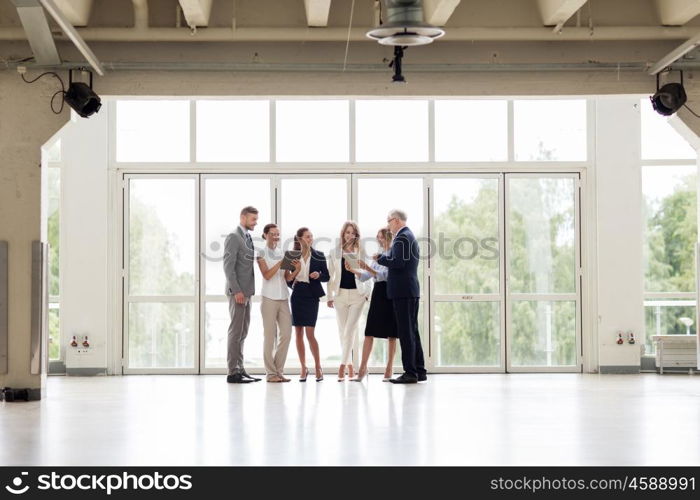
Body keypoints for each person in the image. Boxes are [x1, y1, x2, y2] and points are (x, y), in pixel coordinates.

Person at [375, 209, 427, 384]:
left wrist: (380, 258)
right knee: (413, 331)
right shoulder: (408, 235)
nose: (388, 225)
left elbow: (398, 263)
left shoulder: (402, 237)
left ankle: (410, 372)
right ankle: (420, 370)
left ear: (396, 220)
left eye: (389, 221)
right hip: (409, 290)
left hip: (403, 291)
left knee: (406, 333)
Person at [347, 227, 398, 382]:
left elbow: (386, 275)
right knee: (369, 331)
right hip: (378, 293)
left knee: (392, 333)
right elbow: (367, 276)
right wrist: (354, 270)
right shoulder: (377, 256)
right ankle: (363, 368)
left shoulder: (393, 255)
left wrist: (367, 267)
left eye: (380, 237)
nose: (378, 239)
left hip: (389, 293)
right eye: (377, 237)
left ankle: (389, 369)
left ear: (388, 238)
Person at [327, 221, 371, 381]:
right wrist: (330, 296)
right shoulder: (334, 252)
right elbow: (330, 276)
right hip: (340, 295)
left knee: (350, 330)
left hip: (358, 295)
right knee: (342, 331)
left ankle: (341, 367)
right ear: (343, 234)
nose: (350, 235)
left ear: (356, 235)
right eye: (347, 232)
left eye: (353, 233)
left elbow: (368, 273)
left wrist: (367, 293)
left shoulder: (361, 251)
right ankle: (350, 366)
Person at [286, 227, 330, 382]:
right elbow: (286, 279)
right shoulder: (290, 255)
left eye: (311, 236)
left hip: (312, 295)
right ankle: (303, 368)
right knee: (298, 333)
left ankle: (318, 367)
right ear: (299, 239)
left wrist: (318, 275)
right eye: (307, 237)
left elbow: (327, 277)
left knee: (310, 334)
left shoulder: (319, 255)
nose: (310, 239)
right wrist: (293, 280)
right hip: (298, 294)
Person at [223, 206, 261, 384]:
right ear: (243, 217)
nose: (256, 222)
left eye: (256, 219)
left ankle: (240, 367)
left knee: (243, 332)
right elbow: (228, 267)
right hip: (238, 293)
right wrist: (236, 290)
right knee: (236, 331)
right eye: (253, 219)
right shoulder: (233, 237)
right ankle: (233, 372)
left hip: (247, 293)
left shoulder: (247, 237)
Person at [257, 223, 295, 383]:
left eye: (278, 234)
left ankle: (278, 371)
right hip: (269, 298)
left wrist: (296, 270)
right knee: (269, 336)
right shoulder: (260, 253)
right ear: (265, 235)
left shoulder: (282, 253)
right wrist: (280, 263)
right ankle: (270, 373)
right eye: (272, 234)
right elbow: (266, 275)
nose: (276, 237)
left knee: (286, 334)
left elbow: (286, 278)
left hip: (283, 298)